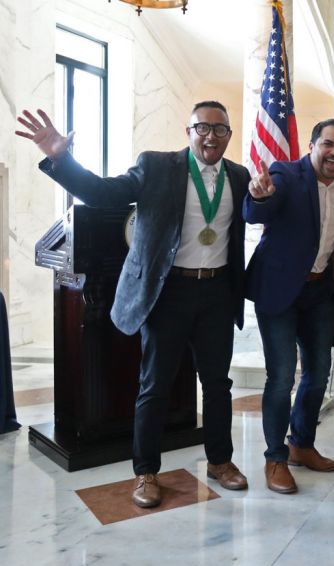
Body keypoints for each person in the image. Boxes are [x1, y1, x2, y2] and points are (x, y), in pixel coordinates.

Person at [16, 102, 250, 507]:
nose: (211, 136)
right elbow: (103, 194)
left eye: (220, 129)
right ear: (188, 130)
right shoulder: (157, 167)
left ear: (229, 134)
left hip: (215, 293)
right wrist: (61, 158)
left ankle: (221, 461)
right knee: (154, 386)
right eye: (202, 127)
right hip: (166, 292)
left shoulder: (239, 176)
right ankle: (145, 472)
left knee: (217, 385)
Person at [245, 119, 334, 494]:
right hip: (278, 291)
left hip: (318, 291)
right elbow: (256, 211)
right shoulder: (286, 175)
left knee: (319, 371)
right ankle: (275, 459)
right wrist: (259, 196)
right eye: (328, 144)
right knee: (281, 376)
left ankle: (301, 445)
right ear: (311, 145)